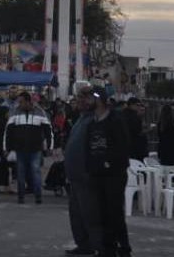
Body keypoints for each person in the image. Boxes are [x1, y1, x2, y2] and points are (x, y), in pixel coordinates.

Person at [86, 88, 132, 257]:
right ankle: (107, 248)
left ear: (98, 100)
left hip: (114, 175)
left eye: (90, 98)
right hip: (97, 174)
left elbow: (123, 146)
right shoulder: (92, 123)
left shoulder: (115, 121)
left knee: (115, 212)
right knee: (102, 212)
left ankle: (124, 247)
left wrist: (109, 162)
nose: (87, 102)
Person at [64, 85, 97, 257]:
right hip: (75, 176)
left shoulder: (95, 120)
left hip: (87, 177)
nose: (80, 100)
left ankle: (93, 245)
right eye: (79, 97)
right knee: (76, 215)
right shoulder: (81, 119)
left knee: (88, 214)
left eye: (85, 97)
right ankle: (83, 245)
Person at [4, 92, 53, 204]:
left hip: (35, 149)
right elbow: (8, 131)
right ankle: (21, 197)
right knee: (21, 174)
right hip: (20, 149)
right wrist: (6, 148)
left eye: (21, 102)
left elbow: (48, 130)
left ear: (27, 101)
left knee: (35, 172)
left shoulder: (40, 112)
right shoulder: (15, 113)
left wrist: (50, 146)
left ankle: (38, 196)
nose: (19, 104)